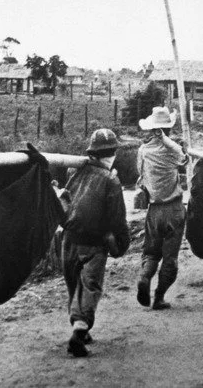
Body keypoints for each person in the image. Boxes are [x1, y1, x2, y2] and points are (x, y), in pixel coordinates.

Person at [62, 129, 131, 358]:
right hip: (94, 243)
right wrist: (122, 242)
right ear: (111, 153)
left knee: (75, 284)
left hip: (68, 240)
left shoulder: (74, 170)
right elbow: (117, 218)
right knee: (90, 285)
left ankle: (78, 327)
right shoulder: (111, 180)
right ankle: (79, 332)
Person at [135, 106, 188, 310]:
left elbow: (140, 178)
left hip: (154, 210)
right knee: (170, 257)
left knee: (150, 253)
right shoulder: (173, 150)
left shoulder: (143, 151)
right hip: (173, 208)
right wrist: (167, 139)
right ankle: (159, 297)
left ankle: (144, 276)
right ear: (169, 129)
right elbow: (183, 158)